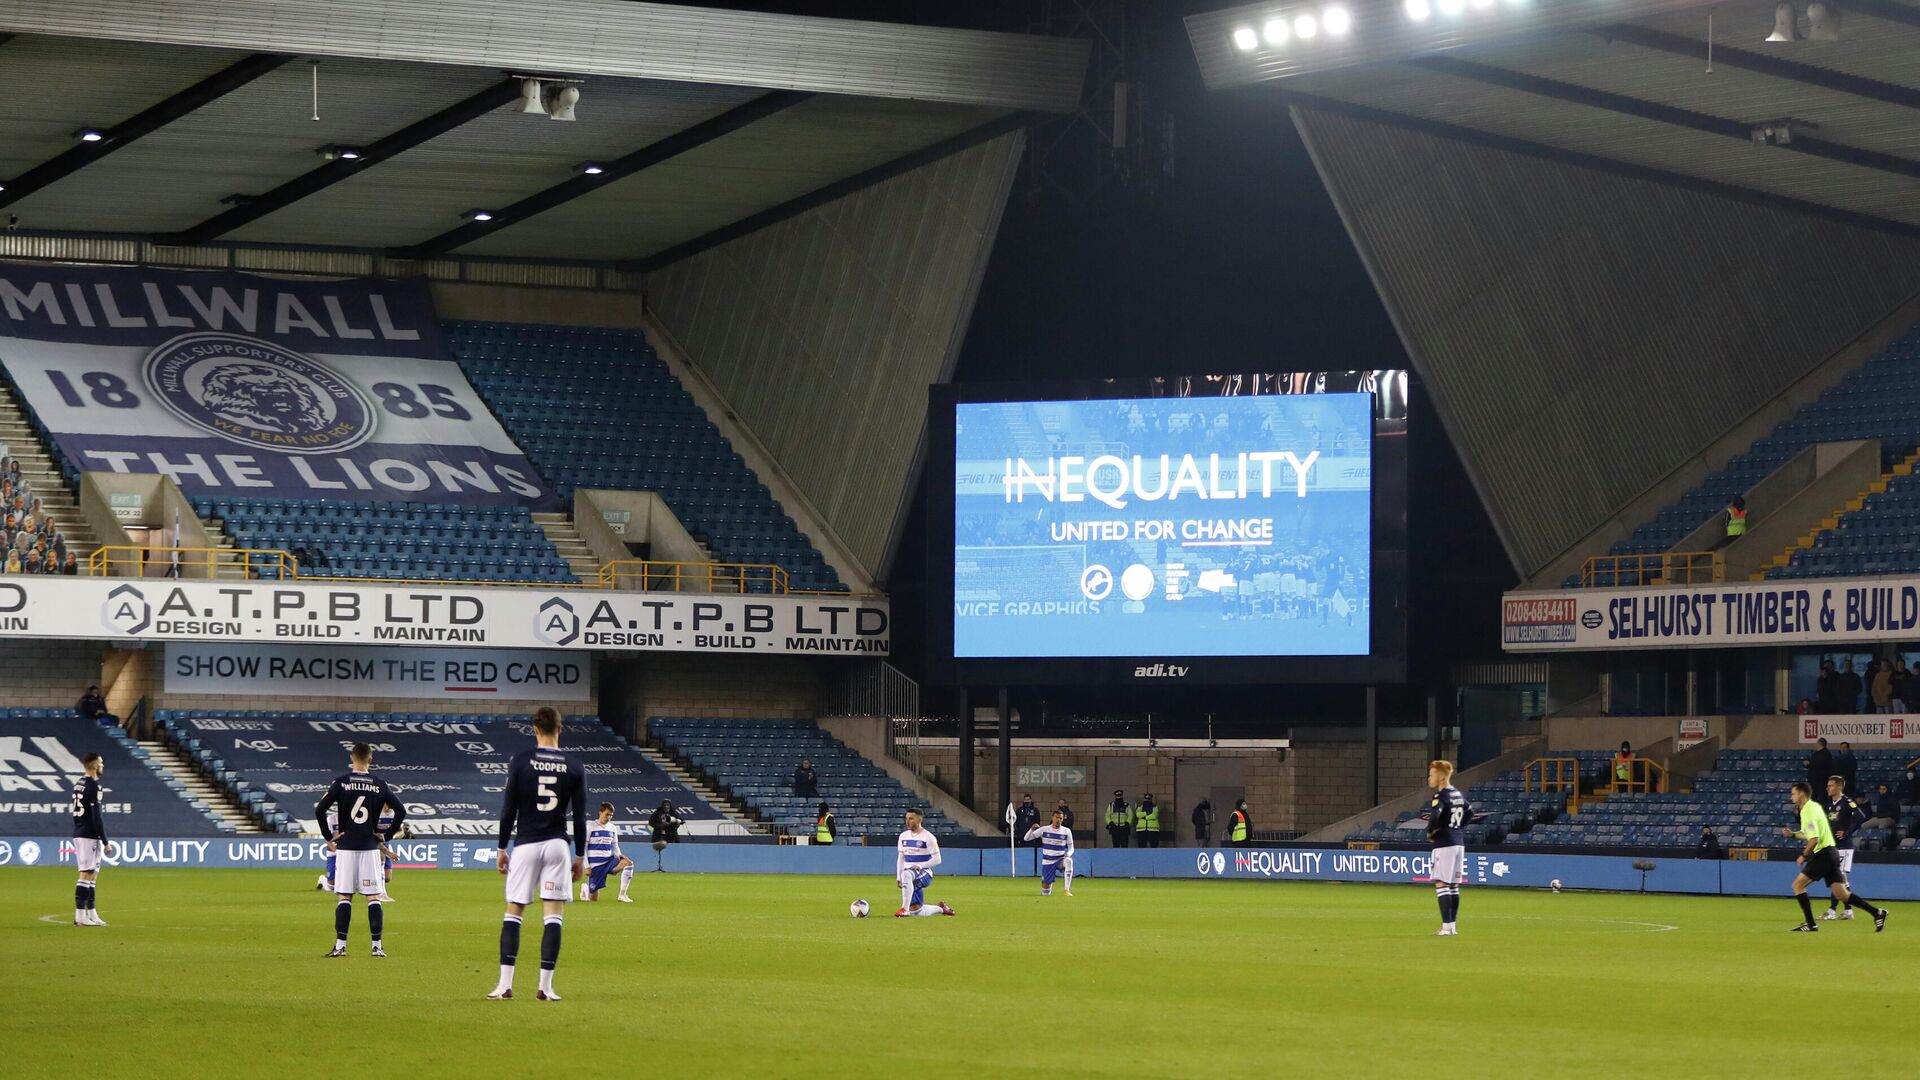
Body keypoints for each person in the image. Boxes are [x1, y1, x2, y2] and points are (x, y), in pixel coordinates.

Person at [488, 706, 587, 1001]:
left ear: (534, 729)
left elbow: (509, 809)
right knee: (553, 915)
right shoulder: (574, 765)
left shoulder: (520, 761)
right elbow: (580, 818)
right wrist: (580, 856)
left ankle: (505, 985)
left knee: (514, 910)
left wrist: (501, 848)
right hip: (557, 844)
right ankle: (546, 987)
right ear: (561, 728)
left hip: (526, 844)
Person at [313, 743, 405, 958]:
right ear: (370, 760)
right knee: (373, 896)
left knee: (344, 896)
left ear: (351, 758)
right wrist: (386, 836)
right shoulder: (379, 784)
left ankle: (340, 946)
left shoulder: (341, 782)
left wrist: (328, 838)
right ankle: (377, 947)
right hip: (370, 848)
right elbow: (401, 811)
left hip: (346, 848)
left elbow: (319, 810)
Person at [1782, 781, 1886, 932]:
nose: (1791, 796)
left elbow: (1814, 839)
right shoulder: (1814, 807)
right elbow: (1808, 834)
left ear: (1801, 794)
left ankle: (1811, 924)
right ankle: (1877, 913)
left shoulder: (1807, 811)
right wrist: (1792, 835)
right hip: (1832, 853)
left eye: (1793, 793)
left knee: (1797, 885)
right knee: (1842, 894)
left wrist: (1803, 856)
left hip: (1823, 854)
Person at [1425, 760, 1471, 937]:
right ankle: (1452, 926)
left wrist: (1431, 833)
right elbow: (1470, 812)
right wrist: (1458, 827)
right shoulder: (1457, 794)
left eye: (1432, 774)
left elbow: (1436, 816)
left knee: (1441, 883)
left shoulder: (1441, 796)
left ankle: (1446, 927)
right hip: (1458, 841)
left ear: (1441, 776)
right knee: (1453, 885)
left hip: (1444, 843)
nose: (1429, 778)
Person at [70, 751, 113, 927]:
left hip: (81, 830)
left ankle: (92, 913)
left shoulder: (79, 783)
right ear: (94, 765)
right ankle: (80, 916)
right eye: (101, 763)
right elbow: (97, 816)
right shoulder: (94, 787)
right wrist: (105, 841)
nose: (102, 765)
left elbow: (75, 813)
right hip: (89, 834)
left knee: (92, 875)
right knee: (86, 873)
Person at [1821, 776, 1868, 921]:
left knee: (1837, 878)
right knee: (1842, 880)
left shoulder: (1847, 802)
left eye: (1830, 786)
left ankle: (1832, 910)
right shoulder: (1832, 804)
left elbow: (1860, 816)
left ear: (1839, 787)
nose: (1828, 788)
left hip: (1844, 847)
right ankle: (1848, 911)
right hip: (1835, 846)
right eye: (1828, 785)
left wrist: (1847, 833)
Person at [893, 808, 953, 917]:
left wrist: (920, 866)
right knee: (916, 911)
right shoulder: (903, 836)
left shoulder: (928, 837)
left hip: (924, 873)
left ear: (919, 819)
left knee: (906, 874)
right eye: (906, 818)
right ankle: (941, 909)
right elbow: (901, 858)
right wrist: (898, 876)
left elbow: (937, 859)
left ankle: (904, 909)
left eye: (911, 819)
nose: (907, 821)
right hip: (909, 876)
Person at [582, 802, 634, 903]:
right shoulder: (590, 826)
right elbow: (583, 847)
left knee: (628, 863)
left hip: (609, 860)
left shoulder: (612, 828)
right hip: (595, 864)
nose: (609, 817)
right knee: (593, 899)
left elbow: (615, 845)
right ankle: (585, 891)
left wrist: (619, 856)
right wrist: (587, 866)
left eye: (611, 815)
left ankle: (622, 895)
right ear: (600, 812)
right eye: (607, 814)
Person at [1022, 808, 1075, 897]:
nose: (1058, 820)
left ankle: (1066, 890)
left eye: (1060, 818)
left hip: (1060, 859)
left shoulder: (1066, 831)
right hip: (1048, 862)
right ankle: (1048, 885)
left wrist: (1068, 854)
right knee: (1045, 892)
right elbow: (1026, 839)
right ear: (1052, 818)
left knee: (1069, 861)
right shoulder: (1044, 829)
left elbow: (1071, 848)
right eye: (1057, 817)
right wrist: (1031, 829)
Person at [1805, 738, 1834, 805]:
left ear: (1819, 743)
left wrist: (1810, 763)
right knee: (1813, 797)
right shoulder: (1816, 753)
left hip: (1821, 780)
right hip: (1814, 780)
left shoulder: (1825, 754)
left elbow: (1820, 764)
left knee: (1822, 798)